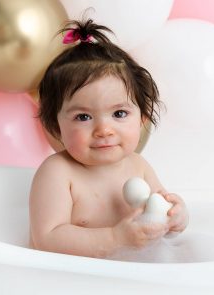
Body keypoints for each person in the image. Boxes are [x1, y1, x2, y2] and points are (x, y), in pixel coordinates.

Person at [29, 18, 188, 259]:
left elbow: (157, 216)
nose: (104, 129)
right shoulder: (58, 173)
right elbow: (47, 239)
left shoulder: (139, 166)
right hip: (74, 278)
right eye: (83, 117)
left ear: (142, 117)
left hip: (131, 273)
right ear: (55, 125)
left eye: (119, 113)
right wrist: (115, 238)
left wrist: (175, 217)